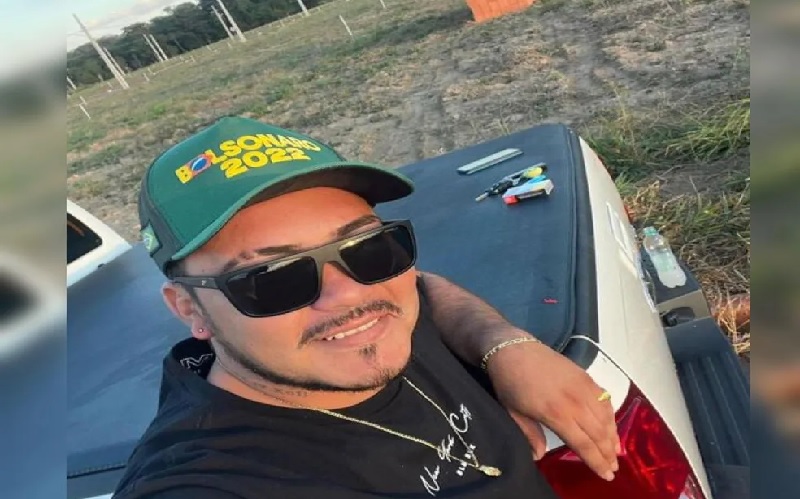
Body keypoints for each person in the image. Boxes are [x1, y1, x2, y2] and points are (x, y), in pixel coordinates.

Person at [113, 116, 620, 498]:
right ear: (190, 309)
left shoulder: (389, 307)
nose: (352, 295)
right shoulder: (208, 478)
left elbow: (424, 287)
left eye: (368, 247)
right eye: (275, 278)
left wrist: (503, 345)